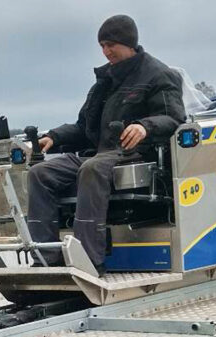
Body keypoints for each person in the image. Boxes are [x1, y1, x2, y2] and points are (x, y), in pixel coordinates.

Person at [26, 14, 186, 276]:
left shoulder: (159, 75)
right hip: (99, 153)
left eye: (111, 44)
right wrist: (54, 137)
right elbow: (83, 127)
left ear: (129, 43)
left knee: (92, 168)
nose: (105, 51)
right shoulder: (104, 81)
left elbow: (173, 118)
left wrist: (144, 126)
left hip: (134, 154)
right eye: (102, 45)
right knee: (40, 173)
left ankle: (88, 261)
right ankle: (46, 259)